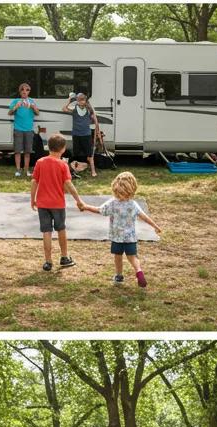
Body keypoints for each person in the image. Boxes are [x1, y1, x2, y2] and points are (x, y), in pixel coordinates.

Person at [77, 171, 161, 287]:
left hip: (117, 237)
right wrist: (155, 226)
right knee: (132, 257)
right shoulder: (133, 204)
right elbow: (144, 217)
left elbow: (99, 210)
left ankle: (119, 276)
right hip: (130, 238)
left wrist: (86, 207)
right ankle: (139, 272)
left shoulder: (113, 203)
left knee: (118, 257)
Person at [31, 134, 85, 272]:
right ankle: (64, 257)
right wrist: (78, 200)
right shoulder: (62, 164)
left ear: (48, 147)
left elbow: (34, 181)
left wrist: (33, 199)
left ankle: (48, 261)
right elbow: (68, 184)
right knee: (61, 229)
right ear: (63, 149)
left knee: (46, 231)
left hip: (43, 204)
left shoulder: (40, 162)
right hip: (58, 204)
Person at [62, 91, 100, 177]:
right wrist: (69, 100)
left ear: (85, 100)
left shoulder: (89, 110)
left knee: (89, 154)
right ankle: (75, 170)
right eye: (79, 100)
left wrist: (97, 129)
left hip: (86, 135)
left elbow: (95, 119)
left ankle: (93, 171)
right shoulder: (74, 109)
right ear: (77, 100)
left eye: (82, 100)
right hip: (76, 134)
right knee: (76, 154)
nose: (81, 101)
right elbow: (64, 109)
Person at [8, 83, 39, 177]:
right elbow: (9, 113)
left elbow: (37, 113)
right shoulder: (16, 101)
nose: (25, 91)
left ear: (29, 91)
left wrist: (34, 107)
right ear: (20, 91)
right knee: (17, 151)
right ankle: (18, 170)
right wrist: (16, 107)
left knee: (27, 152)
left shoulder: (31, 101)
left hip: (29, 130)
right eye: (23, 89)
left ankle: (26, 170)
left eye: (27, 90)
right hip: (18, 129)